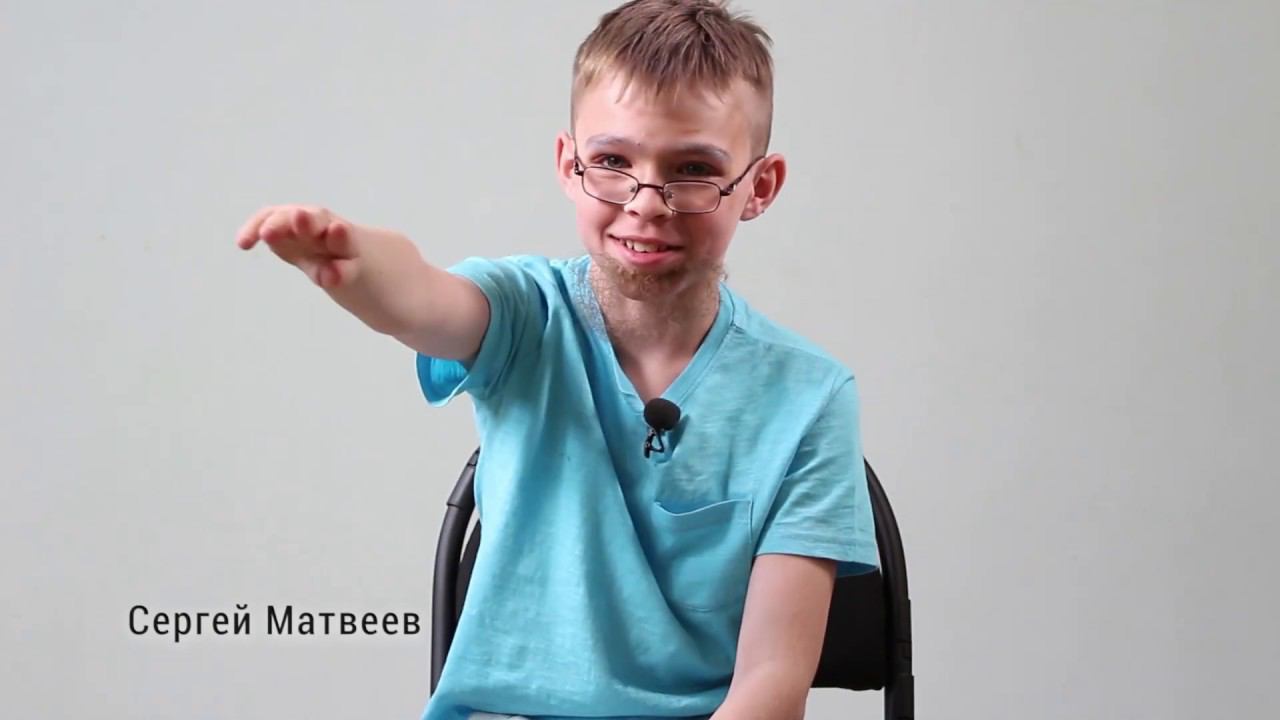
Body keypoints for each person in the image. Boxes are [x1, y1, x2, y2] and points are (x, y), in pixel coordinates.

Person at [235, 2, 879, 719]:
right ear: (569, 166)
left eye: (694, 170)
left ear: (759, 187)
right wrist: (358, 264)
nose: (645, 203)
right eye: (613, 162)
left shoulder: (810, 397)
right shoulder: (524, 315)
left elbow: (772, 683)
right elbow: (423, 299)